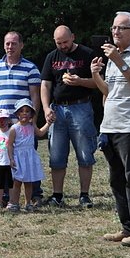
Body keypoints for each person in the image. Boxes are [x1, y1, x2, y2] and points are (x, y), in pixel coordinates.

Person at [91, 11, 130, 247]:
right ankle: (127, 228)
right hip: (112, 125)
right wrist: (95, 75)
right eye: (114, 28)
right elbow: (110, 92)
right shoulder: (115, 57)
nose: (115, 32)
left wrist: (118, 60)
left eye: (121, 28)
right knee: (117, 180)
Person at [0, 31, 43, 203]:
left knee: (28, 156)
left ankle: (35, 194)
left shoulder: (31, 68)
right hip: (3, 124)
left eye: (14, 43)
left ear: (21, 45)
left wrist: (33, 119)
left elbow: (35, 96)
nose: (10, 47)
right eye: (7, 43)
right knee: (3, 158)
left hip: (22, 124)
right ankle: (5, 194)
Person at [39, 25, 97, 208]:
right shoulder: (52, 57)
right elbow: (45, 85)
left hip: (81, 107)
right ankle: (57, 195)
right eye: (59, 43)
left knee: (84, 153)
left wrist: (80, 81)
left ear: (73, 37)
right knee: (56, 155)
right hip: (57, 109)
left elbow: (99, 82)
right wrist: (46, 108)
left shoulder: (87, 54)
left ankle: (84, 195)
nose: (63, 46)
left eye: (65, 42)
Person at [6, 99, 51, 212]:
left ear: (31, 114)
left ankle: (28, 203)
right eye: (21, 111)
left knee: (28, 182)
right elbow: (10, 144)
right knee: (17, 182)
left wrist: (49, 123)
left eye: (27, 111)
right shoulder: (14, 128)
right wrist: (11, 158)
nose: (24, 113)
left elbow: (40, 133)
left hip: (29, 156)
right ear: (17, 114)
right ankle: (15, 203)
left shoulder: (32, 126)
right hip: (18, 157)